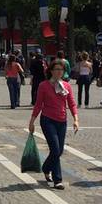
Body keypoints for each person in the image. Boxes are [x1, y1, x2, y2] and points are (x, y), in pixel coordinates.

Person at [28, 59, 79, 190]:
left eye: (61, 70)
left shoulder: (66, 86)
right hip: (47, 120)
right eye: (56, 69)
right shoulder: (43, 85)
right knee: (55, 149)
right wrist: (32, 121)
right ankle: (58, 180)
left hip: (62, 121)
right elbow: (38, 104)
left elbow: (72, 103)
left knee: (59, 150)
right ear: (51, 71)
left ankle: (45, 168)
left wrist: (76, 119)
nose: (59, 72)